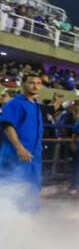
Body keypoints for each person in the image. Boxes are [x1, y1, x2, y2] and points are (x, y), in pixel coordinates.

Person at [0, 74, 44, 212]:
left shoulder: (35, 104)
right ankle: (8, 221)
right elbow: (9, 126)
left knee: (32, 187)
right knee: (12, 187)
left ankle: (30, 219)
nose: (35, 86)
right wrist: (19, 148)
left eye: (38, 83)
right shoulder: (14, 104)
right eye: (31, 82)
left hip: (33, 154)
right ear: (22, 84)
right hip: (16, 154)